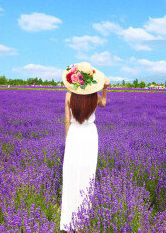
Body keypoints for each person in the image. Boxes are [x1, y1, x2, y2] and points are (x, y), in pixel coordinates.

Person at [60, 62, 110, 232]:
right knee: (87, 174)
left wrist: (68, 139)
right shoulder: (94, 97)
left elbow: (67, 121)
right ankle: (83, 219)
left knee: (71, 173)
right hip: (89, 135)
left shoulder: (68, 96)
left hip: (74, 134)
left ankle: (69, 219)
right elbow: (103, 103)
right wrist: (105, 88)